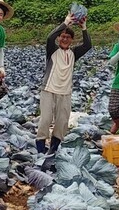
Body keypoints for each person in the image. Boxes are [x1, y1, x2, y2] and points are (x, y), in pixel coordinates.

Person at [36, 11, 92, 155]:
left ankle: (53, 149)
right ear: (59, 38)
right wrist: (66, 22)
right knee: (45, 119)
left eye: (68, 37)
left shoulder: (74, 53)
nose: (65, 39)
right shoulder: (52, 50)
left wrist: (84, 27)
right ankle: (40, 150)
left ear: (72, 40)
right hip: (48, 89)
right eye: (62, 36)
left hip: (65, 92)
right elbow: (50, 37)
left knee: (62, 123)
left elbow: (87, 45)